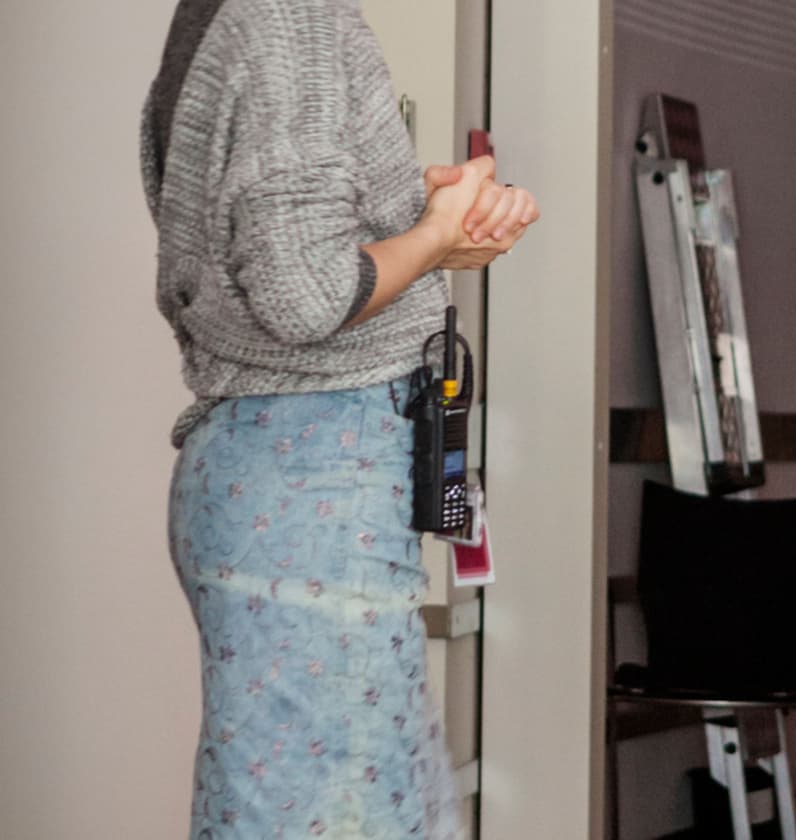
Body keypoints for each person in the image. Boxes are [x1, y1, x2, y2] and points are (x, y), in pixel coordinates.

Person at [141, 0, 537, 835]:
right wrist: (433, 238)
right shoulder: (295, 15)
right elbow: (304, 293)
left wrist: (422, 216)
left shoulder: (215, 15)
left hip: (262, 465)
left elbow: (248, 245)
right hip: (316, 470)